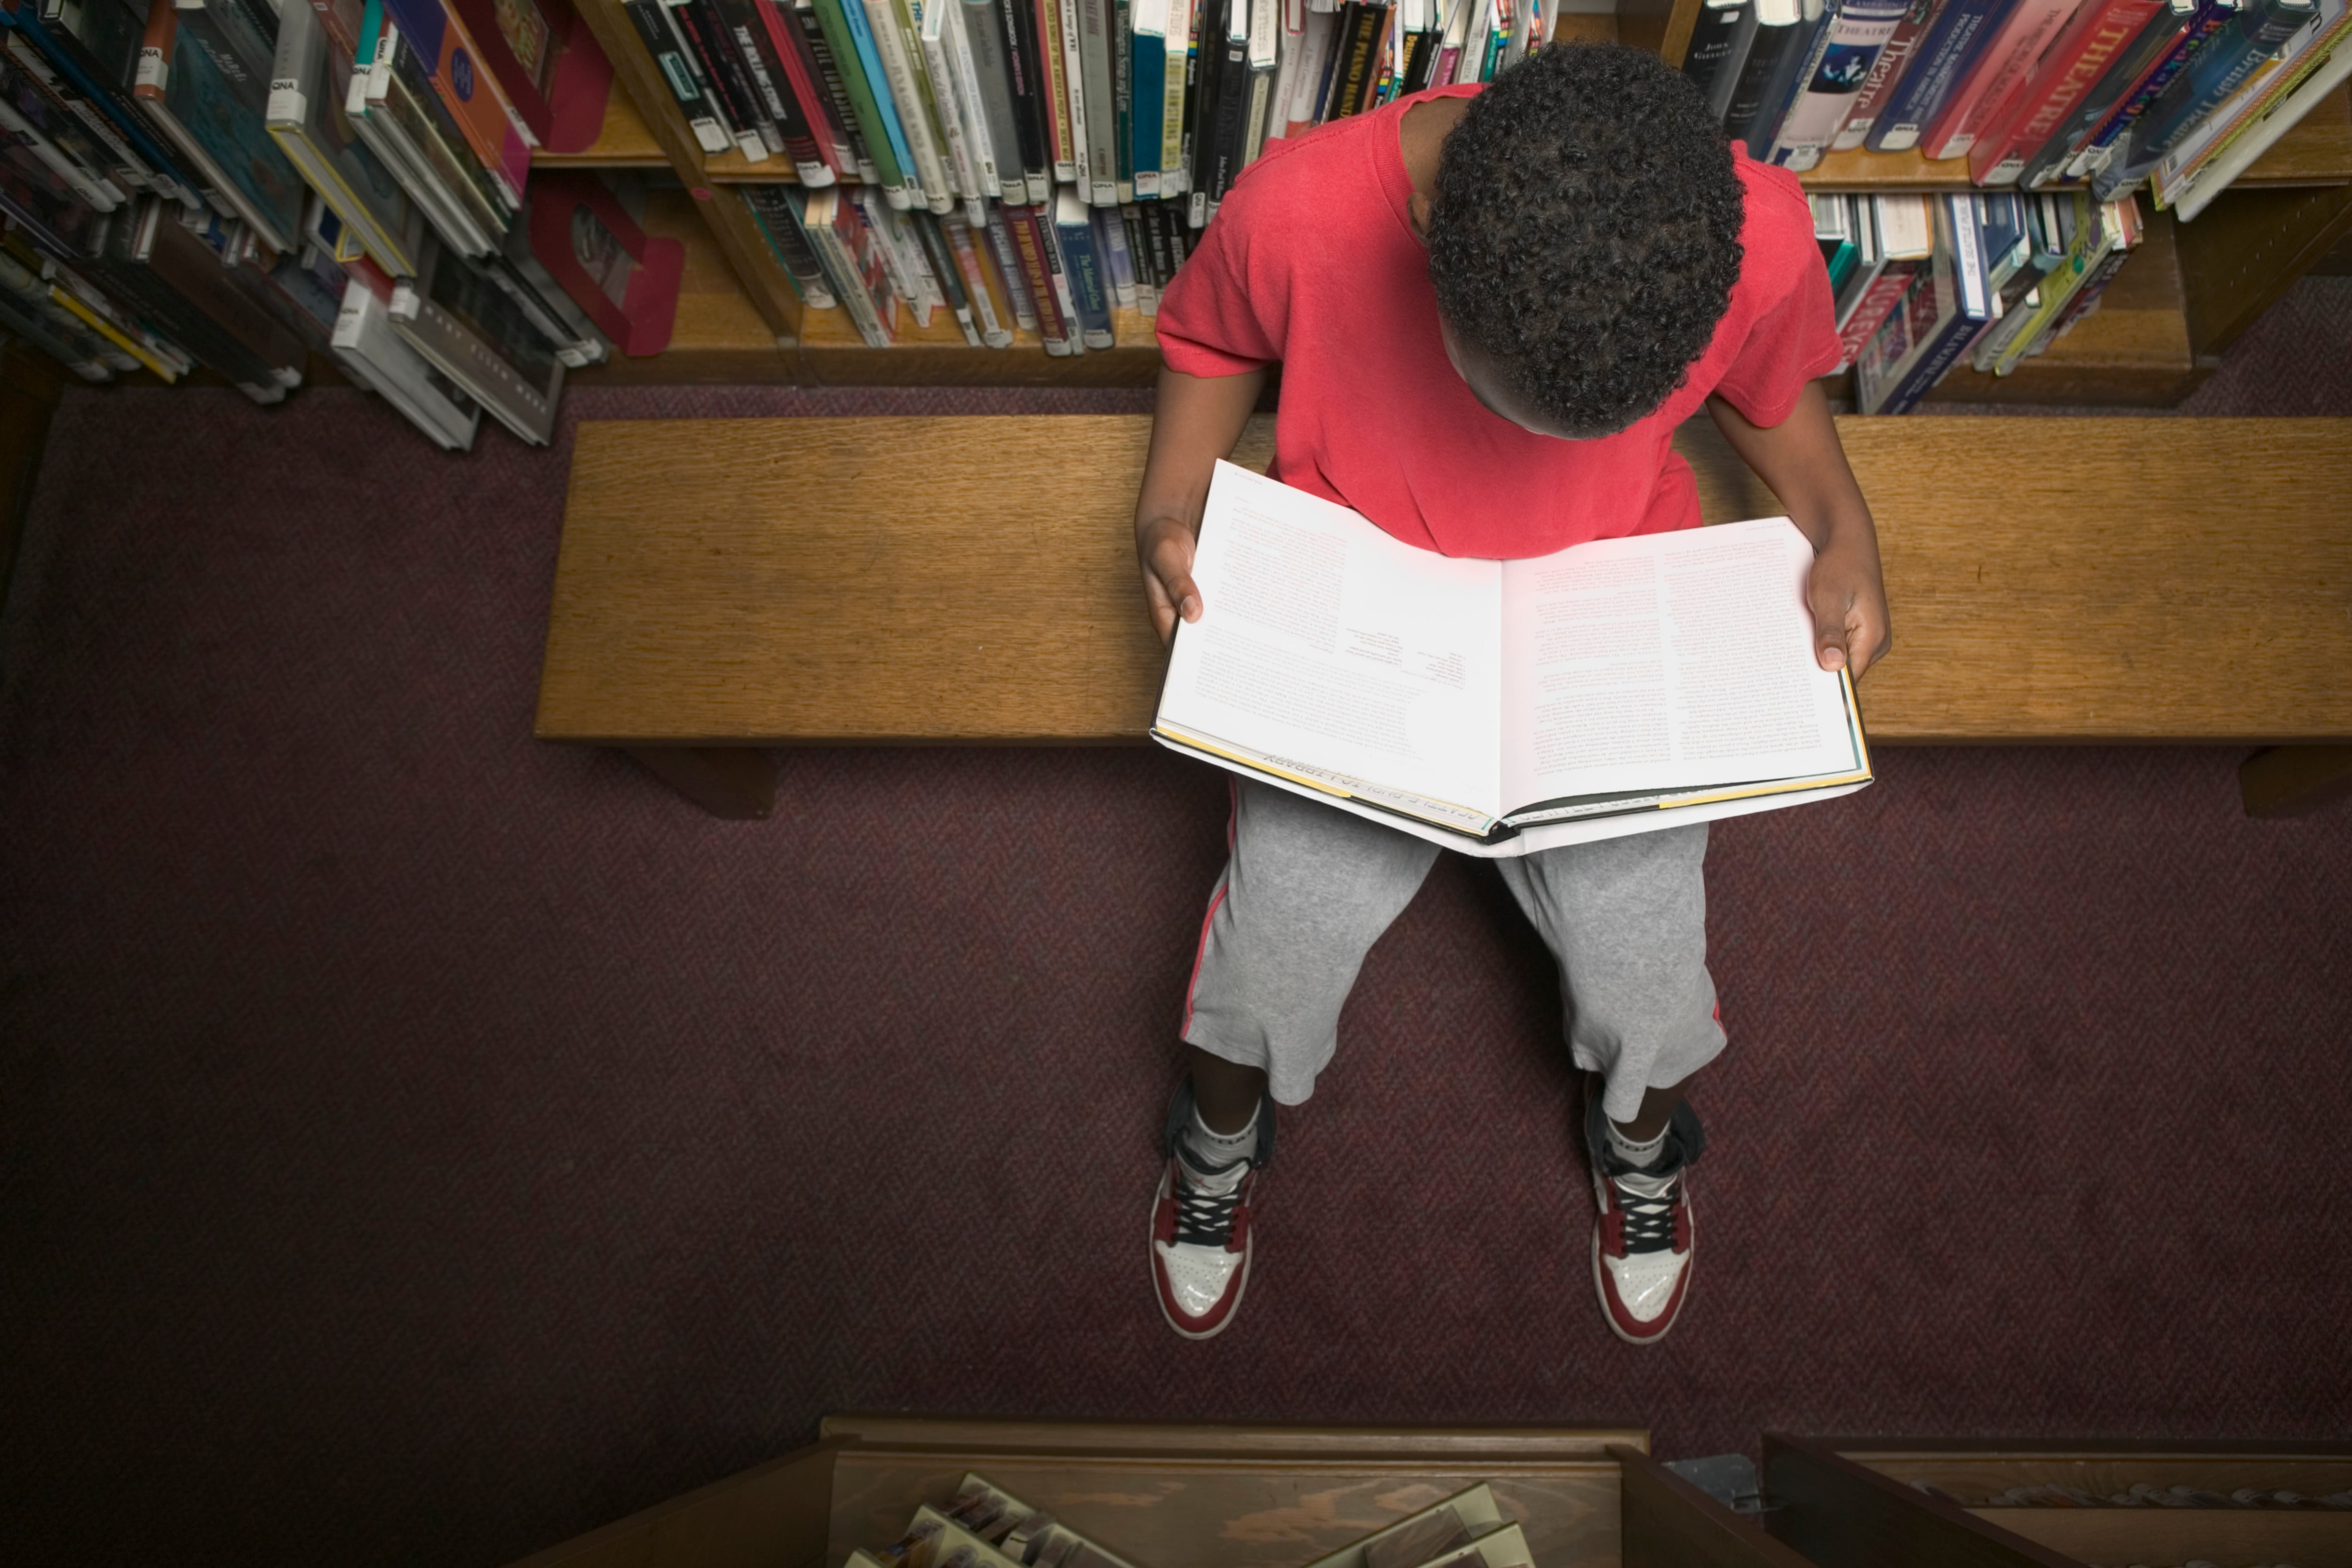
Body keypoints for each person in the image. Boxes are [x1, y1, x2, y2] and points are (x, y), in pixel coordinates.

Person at [1132, 43, 1892, 1345]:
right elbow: (1210, 336)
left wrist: (1843, 525)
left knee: (1648, 980)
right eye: (1523, 407)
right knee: (1267, 961)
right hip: (1360, 616)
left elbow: (1775, 396)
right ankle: (1218, 1128)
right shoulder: (1305, 202)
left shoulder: (1748, 224)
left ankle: (1641, 1136)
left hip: (1602, 626)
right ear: (1434, 253)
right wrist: (1167, 500)